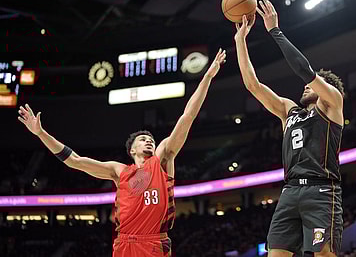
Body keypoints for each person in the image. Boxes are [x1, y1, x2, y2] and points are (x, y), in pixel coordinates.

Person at [17, 48, 226, 257]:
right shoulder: (119, 171)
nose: (149, 141)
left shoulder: (162, 158)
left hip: (153, 242)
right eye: (143, 139)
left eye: (151, 140)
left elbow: (187, 116)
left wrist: (207, 77)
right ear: (132, 149)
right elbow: (75, 161)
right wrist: (41, 133)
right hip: (123, 244)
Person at [234, 0, 345, 257]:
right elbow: (253, 85)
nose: (305, 87)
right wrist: (240, 42)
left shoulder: (331, 105)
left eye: (313, 85)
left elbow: (303, 70)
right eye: (307, 86)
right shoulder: (288, 111)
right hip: (290, 191)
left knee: (324, 254)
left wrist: (275, 31)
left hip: (321, 190)